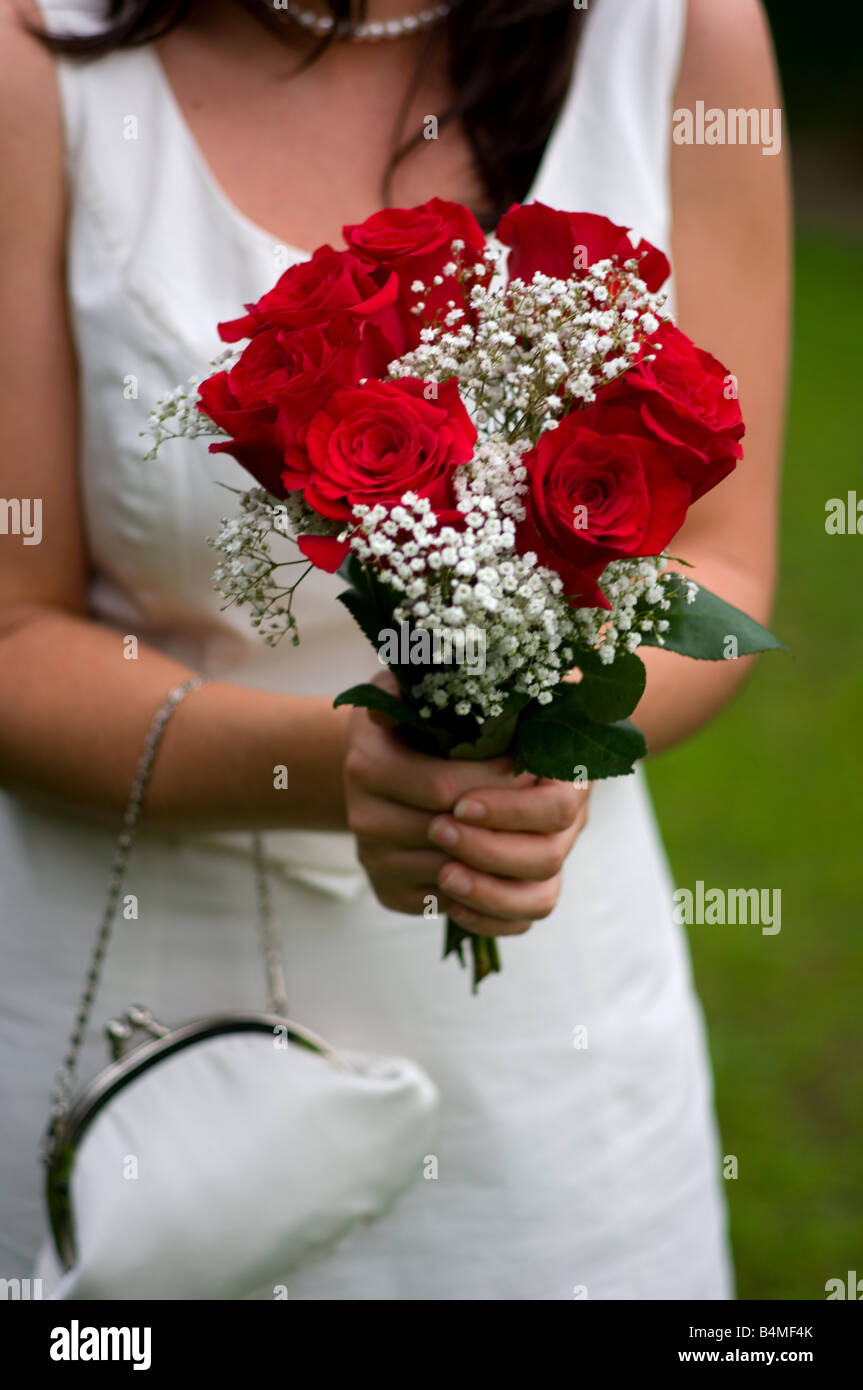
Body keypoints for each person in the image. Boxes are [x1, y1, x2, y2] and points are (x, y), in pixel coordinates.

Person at [0, 0, 789, 1298]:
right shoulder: (32, 52)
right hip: (142, 1054)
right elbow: (12, 631)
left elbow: (724, 558)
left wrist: (530, 741)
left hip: (551, 1072)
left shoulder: (682, 27)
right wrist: (351, 768)